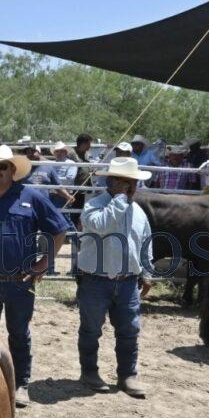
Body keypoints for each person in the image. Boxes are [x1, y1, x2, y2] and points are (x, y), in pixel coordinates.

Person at [0, 145, 70, 407]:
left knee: (19, 334)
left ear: (12, 170)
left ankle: (21, 383)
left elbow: (60, 230)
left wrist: (44, 262)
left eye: (1, 167)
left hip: (21, 281)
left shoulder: (31, 197)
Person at [76, 157, 154, 399]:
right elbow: (100, 225)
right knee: (91, 329)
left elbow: (145, 243)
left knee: (129, 330)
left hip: (128, 280)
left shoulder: (138, 211)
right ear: (112, 182)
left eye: (133, 182)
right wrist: (120, 199)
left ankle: (127, 375)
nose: (132, 187)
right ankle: (89, 372)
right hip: (95, 279)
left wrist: (147, 271)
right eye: (127, 182)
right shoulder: (94, 206)